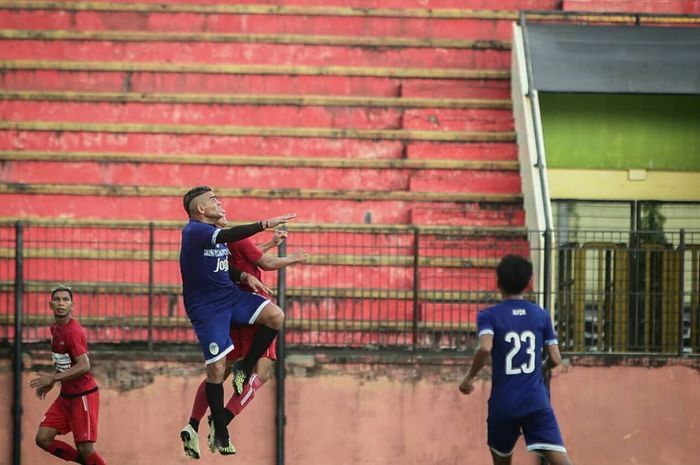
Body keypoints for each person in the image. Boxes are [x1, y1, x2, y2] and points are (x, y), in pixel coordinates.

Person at [179, 185, 294, 455]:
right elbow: (247, 246)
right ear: (201, 209)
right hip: (208, 310)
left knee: (275, 316)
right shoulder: (196, 231)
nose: (219, 203)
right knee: (218, 371)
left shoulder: (211, 237)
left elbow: (224, 262)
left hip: (231, 297)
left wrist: (244, 277)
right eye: (213, 200)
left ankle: (242, 370)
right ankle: (221, 428)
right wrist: (266, 225)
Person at [459, 255, 574, 465]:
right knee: (561, 460)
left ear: (498, 283)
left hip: (504, 402)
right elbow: (556, 358)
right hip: (536, 401)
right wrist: (542, 367)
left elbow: (485, 347)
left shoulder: (489, 315)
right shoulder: (541, 314)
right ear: (528, 284)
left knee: (502, 460)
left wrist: (468, 378)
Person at [30, 286, 107, 465]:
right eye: (57, 299)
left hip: (83, 396)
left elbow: (84, 365)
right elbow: (66, 362)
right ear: (51, 304)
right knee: (43, 438)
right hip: (66, 397)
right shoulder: (56, 329)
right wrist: (53, 380)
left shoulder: (73, 331)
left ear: (72, 305)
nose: (61, 303)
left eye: (65, 300)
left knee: (86, 448)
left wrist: (53, 378)